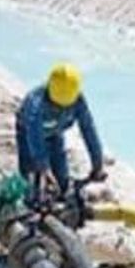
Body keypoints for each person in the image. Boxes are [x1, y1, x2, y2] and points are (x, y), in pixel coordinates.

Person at [15, 62, 107, 200]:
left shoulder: (78, 101)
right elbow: (34, 136)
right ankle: (30, 207)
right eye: (57, 107)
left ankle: (61, 204)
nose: (60, 110)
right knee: (31, 179)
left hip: (55, 133)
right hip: (27, 134)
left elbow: (88, 130)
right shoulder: (36, 104)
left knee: (61, 177)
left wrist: (97, 164)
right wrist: (44, 167)